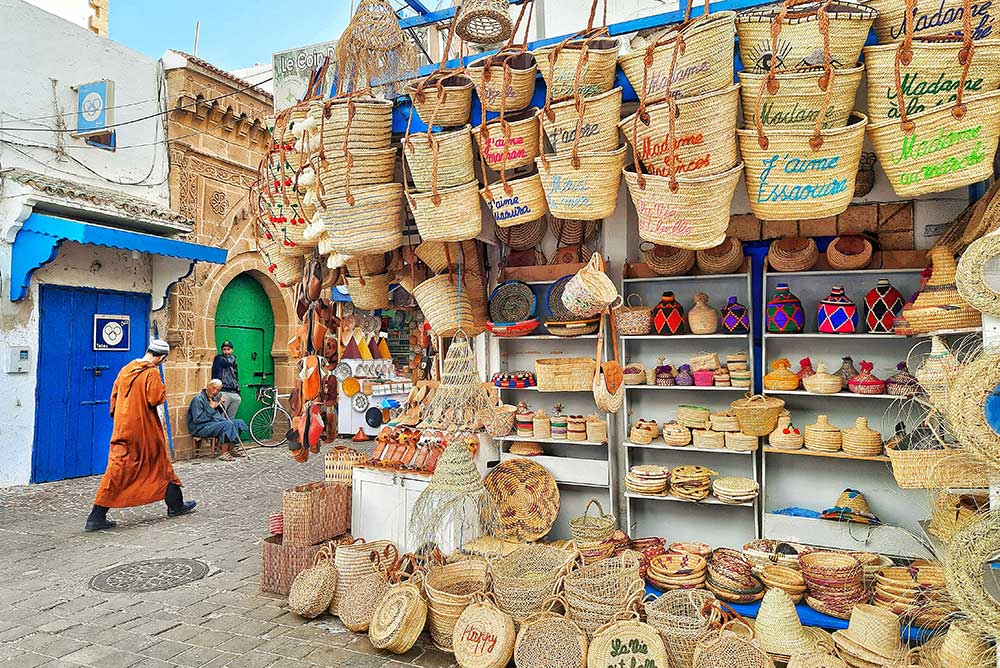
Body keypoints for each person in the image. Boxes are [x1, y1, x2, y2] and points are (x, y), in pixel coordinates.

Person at [85, 339, 196, 532]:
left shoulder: (126, 369)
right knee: (159, 463)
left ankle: (175, 504)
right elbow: (155, 399)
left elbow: (114, 399)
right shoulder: (151, 372)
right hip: (144, 429)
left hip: (122, 427)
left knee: (118, 468)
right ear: (161, 357)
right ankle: (96, 516)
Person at [187, 379, 249, 461]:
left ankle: (232, 448)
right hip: (200, 427)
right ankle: (224, 453)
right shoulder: (198, 399)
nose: (215, 391)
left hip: (212, 423)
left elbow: (217, 414)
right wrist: (211, 408)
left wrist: (219, 405)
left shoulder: (213, 398)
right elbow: (198, 419)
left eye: (218, 390)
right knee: (227, 424)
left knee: (238, 422)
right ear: (208, 386)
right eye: (213, 388)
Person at [211, 341, 241, 419]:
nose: (226, 351)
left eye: (228, 349)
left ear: (232, 350)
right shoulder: (219, 358)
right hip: (223, 392)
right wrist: (233, 357)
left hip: (234, 393)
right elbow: (227, 362)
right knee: (220, 418)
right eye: (224, 349)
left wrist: (237, 391)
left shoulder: (233, 362)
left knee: (230, 419)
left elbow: (235, 376)